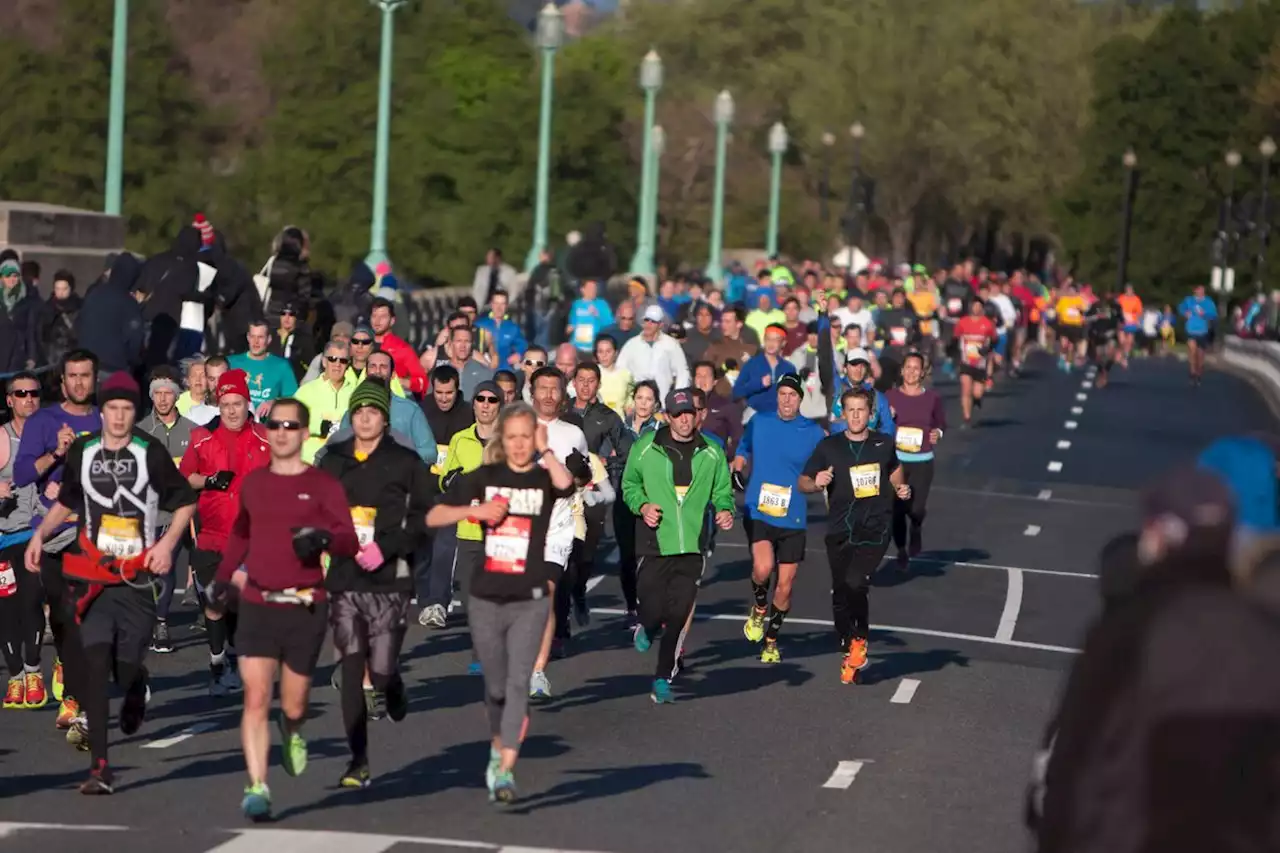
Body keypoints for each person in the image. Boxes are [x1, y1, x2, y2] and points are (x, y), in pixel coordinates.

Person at [23, 373, 197, 794]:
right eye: (112, 409)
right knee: (95, 666)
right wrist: (39, 535)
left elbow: (186, 500)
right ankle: (100, 768)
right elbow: (67, 499)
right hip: (93, 575)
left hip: (137, 577)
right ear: (102, 412)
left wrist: (168, 546)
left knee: (123, 666)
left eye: (126, 410)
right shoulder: (83, 450)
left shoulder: (149, 451)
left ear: (134, 413)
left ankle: (136, 681)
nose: (119, 417)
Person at [209, 398, 359, 820]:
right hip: (258, 601)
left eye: (291, 426)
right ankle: (257, 785)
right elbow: (240, 531)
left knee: (292, 705)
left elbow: (349, 539)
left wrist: (324, 540)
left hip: (305, 605)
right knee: (255, 697)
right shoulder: (255, 482)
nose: (281, 432)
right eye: (274, 424)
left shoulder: (324, 484)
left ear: (305, 433)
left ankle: (292, 729)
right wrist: (222, 578)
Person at [426, 402, 575, 805]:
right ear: (502, 441)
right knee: (495, 688)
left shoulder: (543, 480)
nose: (520, 444)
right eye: (513, 437)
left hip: (529, 598)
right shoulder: (486, 477)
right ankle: (498, 747)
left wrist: (547, 450)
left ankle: (504, 769)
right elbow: (435, 514)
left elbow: (566, 486)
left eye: (527, 436)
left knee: (516, 684)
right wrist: (474, 510)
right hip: (488, 595)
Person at [318, 379, 431, 788]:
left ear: (385, 418)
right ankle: (357, 761)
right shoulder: (332, 461)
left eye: (373, 411)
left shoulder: (405, 462)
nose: (365, 418)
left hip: (389, 578)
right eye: (359, 411)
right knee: (351, 668)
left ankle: (393, 684)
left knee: (380, 670)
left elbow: (423, 521)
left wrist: (388, 548)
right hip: (346, 577)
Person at [621, 388, 734, 703]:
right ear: (666, 416)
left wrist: (725, 510)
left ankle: (661, 679)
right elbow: (629, 484)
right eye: (677, 414)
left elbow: (722, 490)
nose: (684, 420)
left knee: (679, 615)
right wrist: (642, 506)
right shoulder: (646, 447)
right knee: (654, 611)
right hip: (654, 543)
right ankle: (646, 626)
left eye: (689, 414)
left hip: (692, 546)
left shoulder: (712, 451)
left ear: (697, 416)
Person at [12, 350, 101, 730]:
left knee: (91, 615)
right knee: (64, 617)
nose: (79, 382)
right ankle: (68, 671)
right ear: (62, 381)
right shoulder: (44, 421)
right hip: (52, 535)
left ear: (94, 379)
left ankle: (76, 696)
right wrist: (56, 454)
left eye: (86, 375)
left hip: (96, 533)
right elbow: (20, 473)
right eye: (73, 376)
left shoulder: (107, 419)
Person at [799, 387, 910, 684]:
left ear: (871, 415)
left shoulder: (883, 443)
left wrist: (901, 488)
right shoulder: (829, 447)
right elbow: (803, 481)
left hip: (875, 526)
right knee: (841, 594)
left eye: (862, 410)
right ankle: (849, 646)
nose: (857, 415)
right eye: (851, 410)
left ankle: (860, 640)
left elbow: (895, 470)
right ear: (842, 414)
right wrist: (816, 482)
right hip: (839, 529)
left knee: (856, 581)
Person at [179, 369, 272, 695]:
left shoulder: (265, 437)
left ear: (248, 403)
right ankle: (218, 664)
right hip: (210, 536)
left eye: (238, 403)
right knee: (215, 603)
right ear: (218, 404)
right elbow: (185, 476)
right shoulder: (201, 437)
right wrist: (208, 481)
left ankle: (232, 654)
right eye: (226, 403)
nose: (232, 410)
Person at [734, 375, 827, 663]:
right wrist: (739, 462)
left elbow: (828, 464)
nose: (787, 400)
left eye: (793, 395)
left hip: (793, 515)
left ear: (801, 399)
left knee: (786, 585)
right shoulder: (760, 422)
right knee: (763, 568)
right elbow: (743, 446)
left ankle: (771, 641)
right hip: (759, 508)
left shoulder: (814, 433)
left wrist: (823, 482)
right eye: (782, 394)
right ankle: (759, 608)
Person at [527, 367, 588, 697]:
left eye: (555, 389)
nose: (549, 395)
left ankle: (538, 672)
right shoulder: (515, 428)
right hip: (520, 527)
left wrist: (581, 474)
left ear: (563, 395)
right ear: (531, 392)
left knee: (545, 595)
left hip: (557, 528)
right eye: (543, 388)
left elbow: (582, 479)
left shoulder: (573, 433)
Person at [433, 380, 504, 652]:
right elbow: (444, 481)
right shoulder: (459, 438)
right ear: (473, 403)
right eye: (481, 399)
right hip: (468, 528)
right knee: (467, 590)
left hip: (501, 529)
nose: (486, 405)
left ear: (500, 404)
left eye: (492, 400)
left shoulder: (509, 439)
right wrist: (451, 480)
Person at [136, 371, 197, 653]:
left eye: (167, 392)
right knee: (145, 569)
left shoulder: (193, 430)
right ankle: (146, 619)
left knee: (166, 565)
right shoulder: (140, 430)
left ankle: (161, 621)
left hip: (179, 512)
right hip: (146, 511)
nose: (162, 398)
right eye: (157, 393)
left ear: (176, 395)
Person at [1, 371, 45, 710]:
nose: (28, 398)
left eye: (33, 393)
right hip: (3, 537)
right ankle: (14, 676)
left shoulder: (50, 435)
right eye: (21, 393)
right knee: (7, 611)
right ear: (9, 400)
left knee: (31, 601)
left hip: (35, 534)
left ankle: (33, 671)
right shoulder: (2, 439)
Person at [885, 353, 945, 567]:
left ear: (922, 372)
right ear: (901, 371)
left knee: (916, 508)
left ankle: (916, 528)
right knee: (897, 508)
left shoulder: (932, 398)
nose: (911, 371)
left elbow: (941, 423)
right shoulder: (889, 396)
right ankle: (901, 549)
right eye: (907, 367)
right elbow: (879, 424)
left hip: (922, 460)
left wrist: (938, 432)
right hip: (896, 461)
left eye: (915, 368)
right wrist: (887, 417)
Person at [228, 320, 300, 418]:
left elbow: (292, 400)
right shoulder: (231, 363)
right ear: (248, 337)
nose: (255, 342)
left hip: (267, 427)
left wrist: (274, 402)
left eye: (260, 337)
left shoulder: (282, 366)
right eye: (252, 336)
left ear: (269, 339)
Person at [618, 305, 691, 400]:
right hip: (637, 402)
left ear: (660, 325)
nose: (648, 324)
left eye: (653, 322)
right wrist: (626, 400)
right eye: (647, 320)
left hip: (663, 401)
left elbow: (683, 372)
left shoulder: (671, 344)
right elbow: (620, 372)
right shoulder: (631, 344)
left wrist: (677, 398)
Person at [732, 323, 799, 416]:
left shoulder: (789, 368)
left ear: (783, 343)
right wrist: (759, 384)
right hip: (755, 416)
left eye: (776, 340)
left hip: (780, 418)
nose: (771, 343)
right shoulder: (751, 364)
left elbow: (794, 397)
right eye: (768, 339)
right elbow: (736, 392)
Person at [369, 298, 429, 398]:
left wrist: (398, 381)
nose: (377, 321)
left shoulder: (402, 348)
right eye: (374, 316)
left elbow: (421, 382)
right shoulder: (361, 344)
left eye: (383, 316)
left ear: (392, 321)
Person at [953, 300, 997, 428]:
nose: (976, 308)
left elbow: (994, 341)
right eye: (974, 305)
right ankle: (967, 418)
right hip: (966, 361)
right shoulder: (963, 322)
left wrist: (986, 350)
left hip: (980, 363)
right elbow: (955, 339)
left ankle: (976, 399)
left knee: (977, 393)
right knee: (965, 387)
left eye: (979, 306)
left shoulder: (988, 324)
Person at [1178, 284, 1219, 387]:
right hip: (1191, 329)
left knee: (1200, 354)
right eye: (1199, 290)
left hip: (1203, 331)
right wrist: (1185, 313)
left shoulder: (1208, 302)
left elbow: (1214, 315)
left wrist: (1204, 314)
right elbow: (1180, 307)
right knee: (1192, 350)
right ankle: (1192, 372)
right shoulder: (1189, 300)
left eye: (1203, 291)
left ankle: (1199, 372)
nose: (1201, 292)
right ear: (1195, 291)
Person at [566, 279, 614, 354]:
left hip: (594, 347)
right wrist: (570, 328)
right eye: (590, 288)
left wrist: (598, 315)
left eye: (595, 288)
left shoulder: (602, 304)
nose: (593, 291)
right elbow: (572, 323)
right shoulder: (576, 304)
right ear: (582, 290)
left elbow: (610, 324)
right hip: (577, 347)